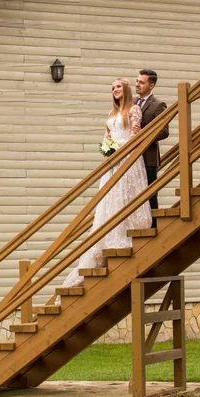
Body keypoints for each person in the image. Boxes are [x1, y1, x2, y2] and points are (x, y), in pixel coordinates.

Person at [60, 78, 153, 290]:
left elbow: (135, 134)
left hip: (128, 158)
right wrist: (107, 150)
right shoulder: (111, 114)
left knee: (125, 196)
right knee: (110, 199)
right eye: (112, 88)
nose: (115, 90)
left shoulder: (134, 110)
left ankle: (126, 231)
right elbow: (107, 136)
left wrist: (120, 149)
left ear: (126, 89)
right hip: (112, 161)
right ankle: (108, 236)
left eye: (118, 87)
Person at [135, 69, 169, 228]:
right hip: (132, 157)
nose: (137, 84)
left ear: (151, 85)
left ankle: (153, 226)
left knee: (150, 192)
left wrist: (144, 135)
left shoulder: (158, 105)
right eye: (137, 81)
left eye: (141, 82)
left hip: (148, 157)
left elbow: (164, 131)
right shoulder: (131, 103)